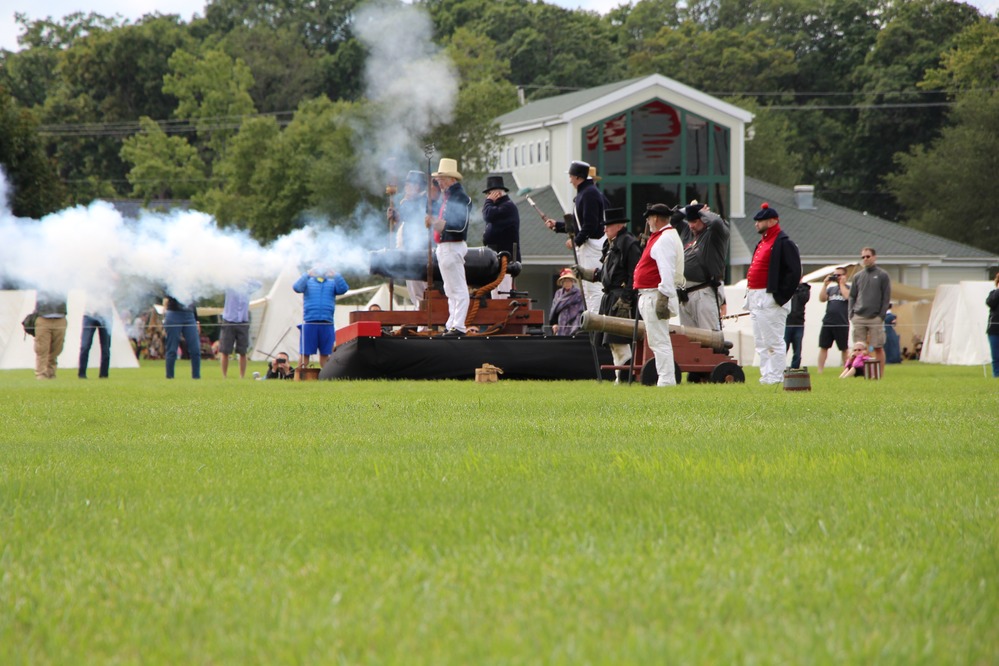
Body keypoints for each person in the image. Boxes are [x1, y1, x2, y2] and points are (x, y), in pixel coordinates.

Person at [577, 208, 642, 382]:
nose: (605, 229)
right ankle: (619, 377)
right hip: (610, 298)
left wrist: (626, 299)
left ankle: (625, 377)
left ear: (619, 226)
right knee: (612, 343)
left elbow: (634, 275)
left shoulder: (629, 244)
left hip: (620, 299)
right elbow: (604, 275)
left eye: (609, 226)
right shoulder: (611, 245)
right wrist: (584, 273)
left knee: (619, 341)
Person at [745, 203, 802, 385]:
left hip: (770, 297)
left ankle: (776, 377)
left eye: (760, 221)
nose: (756, 224)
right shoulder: (763, 243)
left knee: (773, 341)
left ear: (772, 221)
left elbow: (794, 273)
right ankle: (766, 376)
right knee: (761, 342)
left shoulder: (783, 243)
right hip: (755, 296)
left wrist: (779, 297)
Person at [632, 203, 685, 387]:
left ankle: (666, 380)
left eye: (649, 218)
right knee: (658, 340)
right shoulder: (665, 236)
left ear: (655, 218)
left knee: (659, 341)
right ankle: (666, 378)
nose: (648, 221)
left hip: (655, 294)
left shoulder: (663, 240)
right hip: (651, 293)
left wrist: (664, 296)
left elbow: (666, 271)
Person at [544, 160, 607, 313]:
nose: (570, 180)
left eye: (571, 176)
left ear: (578, 177)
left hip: (593, 246)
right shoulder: (586, 193)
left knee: (593, 288)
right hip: (590, 245)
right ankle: (593, 320)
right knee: (587, 288)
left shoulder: (589, 194)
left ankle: (596, 322)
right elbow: (580, 224)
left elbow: (590, 225)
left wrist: (576, 241)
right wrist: (558, 226)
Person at [425, 157, 472, 337]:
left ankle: (458, 326)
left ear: (452, 179)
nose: (439, 182)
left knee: (458, 289)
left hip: (453, 245)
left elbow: (460, 225)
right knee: (449, 289)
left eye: (442, 178)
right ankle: (452, 323)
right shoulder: (447, 198)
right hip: (444, 246)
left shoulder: (462, 198)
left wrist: (439, 224)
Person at [673, 201, 731, 331]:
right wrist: (688, 209)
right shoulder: (687, 232)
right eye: (689, 221)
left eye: (694, 221)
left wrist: (704, 212)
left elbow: (716, 222)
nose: (691, 225)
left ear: (704, 220)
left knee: (710, 338)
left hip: (704, 292)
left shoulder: (714, 234)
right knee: (691, 341)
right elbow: (671, 219)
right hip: (685, 294)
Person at [392, 170, 434, 306]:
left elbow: (411, 216)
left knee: (421, 289)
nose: (406, 187)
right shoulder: (411, 201)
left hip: (420, 250)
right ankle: (421, 318)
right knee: (414, 290)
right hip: (411, 250)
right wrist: (395, 217)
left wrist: (399, 213)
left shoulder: (424, 201)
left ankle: (424, 320)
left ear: (417, 186)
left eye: (409, 184)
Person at [293, 267, 349, 368]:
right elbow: (297, 288)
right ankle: (300, 376)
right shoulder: (308, 281)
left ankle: (326, 377)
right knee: (305, 353)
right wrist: (307, 274)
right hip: (310, 322)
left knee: (325, 353)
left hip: (327, 323)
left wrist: (336, 275)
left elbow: (344, 289)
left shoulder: (332, 283)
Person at [849, 247, 891, 376]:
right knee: (858, 348)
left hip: (875, 317)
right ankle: (858, 372)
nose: (865, 259)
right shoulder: (857, 276)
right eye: (863, 257)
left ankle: (879, 374)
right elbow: (852, 296)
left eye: (868, 256)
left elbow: (886, 296)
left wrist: (881, 315)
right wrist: (851, 313)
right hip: (859, 316)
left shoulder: (882, 275)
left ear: (874, 257)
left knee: (878, 346)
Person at [481, 174, 521, 299]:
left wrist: (488, 202)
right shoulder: (498, 207)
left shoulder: (508, 206)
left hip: (506, 259)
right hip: (496, 258)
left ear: (496, 193)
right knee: (495, 294)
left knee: (503, 294)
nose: (487, 197)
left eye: (489, 194)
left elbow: (488, 215)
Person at [218, 279, 261, 379]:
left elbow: (259, 284)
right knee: (225, 350)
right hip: (229, 320)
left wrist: (246, 278)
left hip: (243, 321)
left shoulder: (247, 287)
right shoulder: (230, 285)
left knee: (243, 351)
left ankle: (242, 376)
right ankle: (224, 376)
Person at [817, 267, 851, 373]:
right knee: (823, 347)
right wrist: (825, 285)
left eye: (839, 275)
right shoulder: (831, 289)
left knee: (844, 348)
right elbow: (822, 299)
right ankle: (820, 370)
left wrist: (841, 284)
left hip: (842, 322)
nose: (837, 277)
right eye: (835, 275)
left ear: (845, 276)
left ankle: (845, 369)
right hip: (828, 322)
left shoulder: (849, 288)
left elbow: (847, 297)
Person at [163, 294, 200, 379]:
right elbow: (166, 295)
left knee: (195, 349)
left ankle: (196, 377)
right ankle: (170, 377)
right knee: (172, 349)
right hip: (173, 314)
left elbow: (193, 303)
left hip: (190, 315)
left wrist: (197, 320)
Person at [33, 292, 68, 380]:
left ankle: (51, 372)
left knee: (57, 348)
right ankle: (41, 373)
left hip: (60, 318)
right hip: (43, 318)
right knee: (42, 348)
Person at [78, 302, 112, 379]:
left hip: (106, 314)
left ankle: (104, 375)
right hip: (89, 314)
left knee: (106, 348)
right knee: (85, 346)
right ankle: (82, 374)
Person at [783, 282, 810, 369]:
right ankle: (779, 366)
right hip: (786, 323)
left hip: (799, 323)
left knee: (797, 349)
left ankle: (795, 367)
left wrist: (797, 289)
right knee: (783, 348)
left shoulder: (804, 289)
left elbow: (804, 299)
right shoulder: (784, 286)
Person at [549, 268, 584, 336]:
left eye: (569, 281)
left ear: (572, 282)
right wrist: (554, 323)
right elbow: (554, 310)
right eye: (565, 281)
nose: (567, 283)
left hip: (574, 323)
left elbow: (581, 310)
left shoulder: (578, 294)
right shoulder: (558, 293)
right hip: (561, 324)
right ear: (562, 282)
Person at [987, 273, 999, 378]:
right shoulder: (993, 294)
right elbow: (990, 303)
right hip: (994, 329)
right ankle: (996, 374)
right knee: (996, 355)